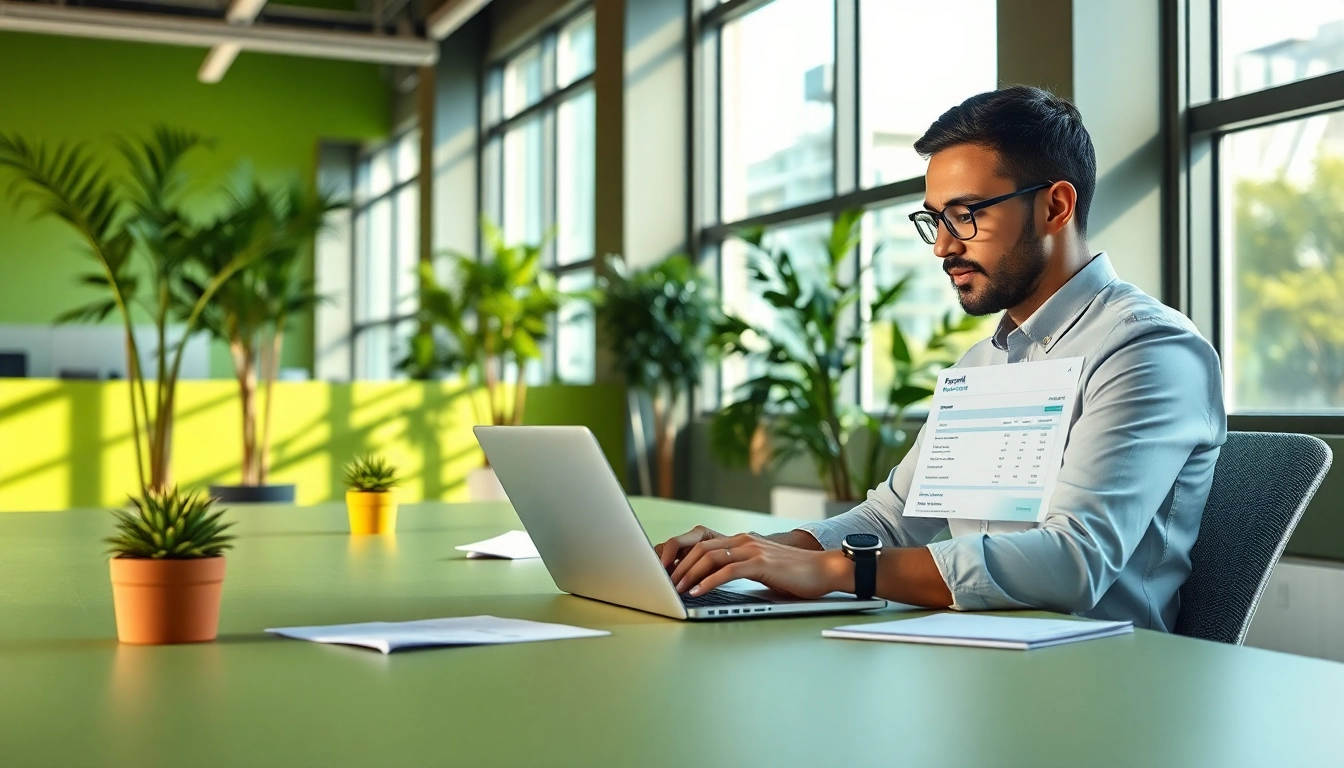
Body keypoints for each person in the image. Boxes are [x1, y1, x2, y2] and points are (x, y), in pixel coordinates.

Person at [656, 86, 1226, 631]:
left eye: (966, 214)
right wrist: (745, 554)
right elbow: (891, 521)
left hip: (1096, 674)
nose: (943, 246)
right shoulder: (982, 365)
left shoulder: (1149, 350)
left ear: (1055, 206)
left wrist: (834, 570)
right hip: (972, 659)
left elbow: (1074, 560)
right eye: (936, 218)